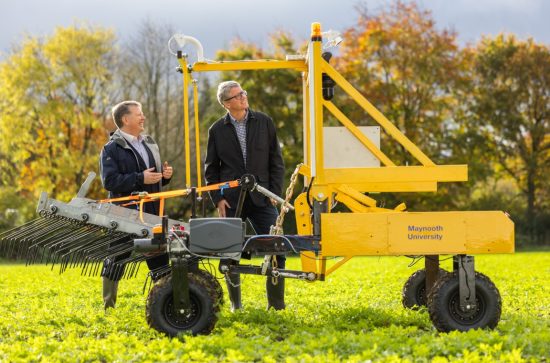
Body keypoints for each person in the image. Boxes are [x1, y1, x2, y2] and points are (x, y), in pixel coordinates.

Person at [204, 81, 286, 311]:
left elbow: (276, 161)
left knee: (276, 247)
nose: (243, 97)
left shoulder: (264, 122)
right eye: (238, 95)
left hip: (263, 196)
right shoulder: (217, 130)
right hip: (231, 200)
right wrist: (217, 199)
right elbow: (211, 169)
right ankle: (235, 305)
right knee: (230, 252)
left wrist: (275, 193)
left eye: (243, 93)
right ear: (226, 103)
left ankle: (276, 305)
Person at [99, 100, 173, 309]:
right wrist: (140, 178)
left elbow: (153, 177)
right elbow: (110, 181)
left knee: (159, 258)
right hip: (124, 213)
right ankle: (108, 306)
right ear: (125, 119)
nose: (143, 118)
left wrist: (165, 177)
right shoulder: (111, 148)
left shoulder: (150, 143)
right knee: (116, 258)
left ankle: (164, 304)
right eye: (139, 114)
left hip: (152, 210)